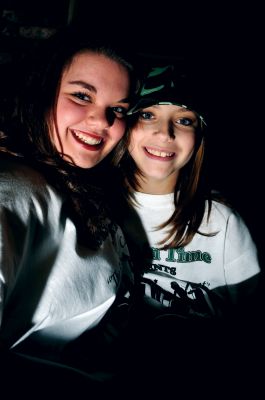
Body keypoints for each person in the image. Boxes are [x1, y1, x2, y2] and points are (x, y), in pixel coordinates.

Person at [0, 26, 137, 394]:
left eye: (118, 109)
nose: (102, 121)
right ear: (39, 92)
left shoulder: (78, 180)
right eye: (81, 95)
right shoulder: (12, 192)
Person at [113, 65, 262, 395]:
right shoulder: (93, 206)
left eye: (184, 120)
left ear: (199, 135)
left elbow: (251, 323)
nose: (166, 133)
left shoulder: (222, 221)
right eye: (148, 115)